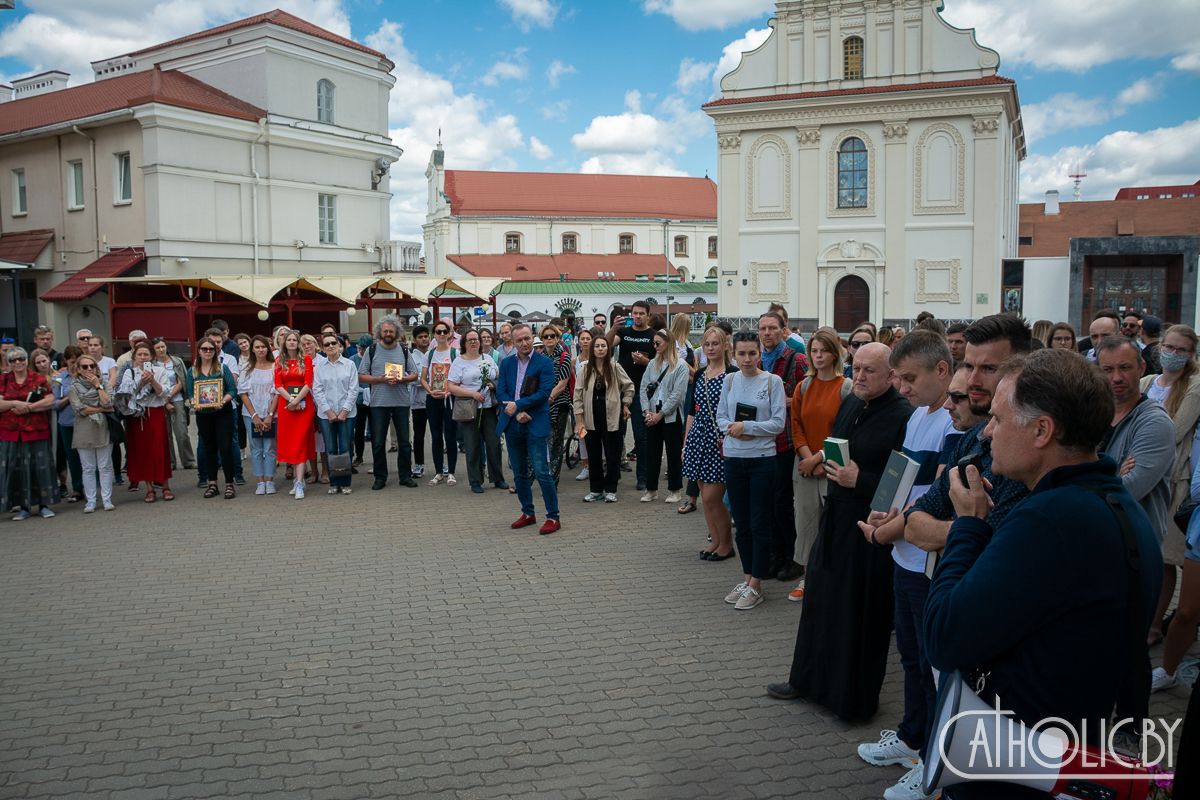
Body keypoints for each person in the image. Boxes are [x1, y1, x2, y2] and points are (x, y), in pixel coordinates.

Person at [924, 349, 1162, 800]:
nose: (987, 432)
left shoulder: (1050, 520)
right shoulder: (1111, 503)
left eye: (997, 418)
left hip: (1020, 766)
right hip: (1060, 749)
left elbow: (944, 635)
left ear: (1041, 430)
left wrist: (969, 526)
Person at [766, 342, 911, 720]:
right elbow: (837, 447)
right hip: (836, 516)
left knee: (858, 614)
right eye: (856, 368)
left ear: (892, 375)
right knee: (820, 601)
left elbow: (901, 484)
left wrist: (858, 479)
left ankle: (852, 701)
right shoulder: (850, 402)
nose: (859, 376)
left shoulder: (902, 417)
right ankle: (807, 680)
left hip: (869, 526)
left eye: (869, 371)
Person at [845, 331, 956, 800]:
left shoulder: (951, 423)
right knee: (910, 656)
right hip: (902, 550)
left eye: (910, 379)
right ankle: (913, 737)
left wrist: (891, 527)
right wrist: (883, 510)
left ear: (942, 371)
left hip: (927, 555)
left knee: (932, 664)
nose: (903, 388)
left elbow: (939, 498)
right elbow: (902, 477)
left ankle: (934, 761)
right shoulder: (917, 418)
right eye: (899, 378)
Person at [717, 331, 787, 610]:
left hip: (762, 460)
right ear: (733, 353)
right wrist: (732, 429)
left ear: (760, 354)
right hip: (734, 458)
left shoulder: (772, 382)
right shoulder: (730, 380)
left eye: (752, 353)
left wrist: (747, 428)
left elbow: (778, 423)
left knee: (759, 522)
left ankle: (757, 582)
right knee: (742, 523)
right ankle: (747, 578)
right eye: (742, 353)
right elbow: (721, 416)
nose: (747, 359)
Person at [1141, 325, 1200, 649]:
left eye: (1181, 351)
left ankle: (1154, 625)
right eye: (1170, 348)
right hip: (1141, 477)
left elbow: (1173, 432)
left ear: (1191, 355)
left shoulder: (1193, 385)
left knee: (1165, 559)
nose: (1173, 355)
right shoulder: (1148, 382)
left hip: (1173, 483)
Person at [787, 329, 852, 601]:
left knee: (833, 524)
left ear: (834, 353)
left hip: (833, 464)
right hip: (804, 466)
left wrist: (818, 458)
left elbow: (845, 429)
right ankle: (808, 576)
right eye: (814, 351)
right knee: (806, 523)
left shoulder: (846, 387)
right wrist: (806, 457)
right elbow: (796, 425)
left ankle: (833, 579)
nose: (818, 355)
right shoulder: (804, 386)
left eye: (823, 350)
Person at [496, 323, 560, 534]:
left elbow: (544, 392)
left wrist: (520, 406)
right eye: (519, 340)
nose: (524, 343)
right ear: (512, 342)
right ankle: (528, 512)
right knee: (519, 474)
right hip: (513, 423)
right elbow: (501, 391)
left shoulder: (544, 363)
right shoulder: (506, 364)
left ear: (532, 337)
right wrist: (515, 412)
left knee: (542, 472)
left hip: (535, 422)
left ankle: (553, 516)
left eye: (527, 338)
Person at [758, 311, 806, 581]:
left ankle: (792, 557)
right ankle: (775, 555)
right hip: (759, 442)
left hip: (783, 442)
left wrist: (782, 401)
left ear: (783, 330)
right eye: (763, 328)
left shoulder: (795, 359)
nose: (767, 333)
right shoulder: (756, 359)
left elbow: (805, 397)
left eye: (772, 328)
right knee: (767, 504)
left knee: (782, 504)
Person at [683, 326, 736, 558]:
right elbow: (692, 411)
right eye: (707, 344)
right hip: (698, 437)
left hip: (720, 439)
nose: (711, 348)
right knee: (706, 497)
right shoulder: (701, 373)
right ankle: (715, 542)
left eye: (715, 343)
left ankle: (726, 544)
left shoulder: (732, 374)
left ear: (725, 345)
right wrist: (686, 443)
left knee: (712, 497)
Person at [573, 327, 633, 503]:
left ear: (608, 349)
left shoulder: (615, 367)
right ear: (592, 349)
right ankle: (596, 489)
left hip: (612, 416)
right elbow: (577, 395)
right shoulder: (585, 370)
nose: (600, 349)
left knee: (612, 453)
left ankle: (611, 489)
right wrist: (579, 419)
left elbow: (629, 386)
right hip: (591, 416)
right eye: (597, 346)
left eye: (603, 346)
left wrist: (626, 404)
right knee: (593, 454)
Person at [359, 315, 419, 490]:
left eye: (391, 331)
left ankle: (405, 476)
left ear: (397, 333)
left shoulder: (404, 350)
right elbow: (361, 375)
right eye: (385, 330)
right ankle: (380, 477)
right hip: (378, 403)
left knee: (405, 442)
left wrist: (402, 379)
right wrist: (379, 379)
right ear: (379, 332)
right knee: (378, 442)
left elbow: (414, 374)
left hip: (401, 402)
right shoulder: (372, 350)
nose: (387, 333)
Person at [0, 346, 60, 519]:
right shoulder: (3, 380)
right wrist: (14, 404)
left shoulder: (38, 378)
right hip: (11, 432)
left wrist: (29, 408)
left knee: (40, 468)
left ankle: (44, 505)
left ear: (26, 360)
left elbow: (50, 400)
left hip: (36, 430)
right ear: (9, 362)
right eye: (13, 360)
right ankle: (23, 507)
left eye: (21, 359)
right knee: (16, 469)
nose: (17, 362)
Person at [448, 329, 506, 493]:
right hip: (469, 408)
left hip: (488, 408)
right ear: (464, 343)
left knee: (494, 444)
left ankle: (497, 478)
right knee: (472, 445)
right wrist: (472, 394)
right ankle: (475, 480)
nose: (473, 342)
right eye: (470, 340)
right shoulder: (459, 362)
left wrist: (492, 384)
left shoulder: (487, 358)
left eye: (476, 339)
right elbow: (451, 386)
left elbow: (498, 377)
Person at [117, 340, 174, 502]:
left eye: (146, 354)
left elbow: (165, 394)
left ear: (152, 356)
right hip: (137, 416)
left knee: (159, 449)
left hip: (155, 413)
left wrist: (153, 381)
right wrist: (141, 381)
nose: (143, 357)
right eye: (139, 354)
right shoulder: (130, 373)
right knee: (143, 451)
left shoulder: (160, 370)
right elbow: (127, 393)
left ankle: (165, 485)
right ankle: (149, 488)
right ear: (135, 356)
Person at [609, 300, 656, 491]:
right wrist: (613, 328)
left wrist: (647, 361)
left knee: (641, 436)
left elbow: (661, 363)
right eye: (635, 313)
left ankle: (642, 477)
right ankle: (614, 473)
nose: (637, 317)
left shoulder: (653, 335)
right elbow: (607, 344)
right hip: (620, 389)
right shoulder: (624, 332)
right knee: (615, 434)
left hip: (642, 392)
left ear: (647, 315)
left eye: (641, 314)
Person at [639, 328, 688, 503]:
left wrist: (660, 414)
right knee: (652, 452)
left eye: (658, 343)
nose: (655, 346)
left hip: (670, 415)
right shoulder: (653, 363)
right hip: (652, 412)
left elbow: (677, 394)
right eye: (653, 343)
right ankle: (651, 489)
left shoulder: (680, 365)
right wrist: (646, 411)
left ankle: (675, 490)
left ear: (668, 343)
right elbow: (644, 387)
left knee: (673, 453)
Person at [187, 338, 238, 499]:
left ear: (215, 351)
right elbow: (190, 393)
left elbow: (232, 390)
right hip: (204, 414)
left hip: (222, 412)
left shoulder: (222, 368)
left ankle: (229, 484)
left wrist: (223, 401)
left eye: (211, 349)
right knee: (209, 448)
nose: (208, 352)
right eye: (204, 349)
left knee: (225, 447)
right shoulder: (192, 371)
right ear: (199, 350)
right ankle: (212, 484)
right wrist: (195, 403)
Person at [312, 333, 358, 495]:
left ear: (340, 346)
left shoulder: (349, 364)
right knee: (331, 448)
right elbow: (317, 391)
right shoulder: (319, 368)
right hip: (326, 415)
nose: (331, 346)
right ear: (323, 349)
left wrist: (344, 411)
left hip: (348, 413)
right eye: (327, 344)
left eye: (334, 343)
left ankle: (345, 482)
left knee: (345, 448)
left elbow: (353, 390)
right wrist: (329, 412)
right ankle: (334, 482)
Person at [69, 353, 115, 513]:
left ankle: (107, 499)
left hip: (103, 428)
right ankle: (91, 501)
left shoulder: (104, 383)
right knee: (88, 468)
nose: (89, 369)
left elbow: (109, 402)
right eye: (85, 366)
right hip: (83, 429)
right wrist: (101, 409)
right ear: (78, 369)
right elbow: (80, 409)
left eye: (92, 366)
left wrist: (98, 386)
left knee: (105, 466)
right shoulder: (74, 387)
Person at [273, 331, 314, 499]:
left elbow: (308, 383)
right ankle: (298, 481)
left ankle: (298, 482)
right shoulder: (278, 361)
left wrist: (297, 400)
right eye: (288, 340)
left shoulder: (306, 360)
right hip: (286, 405)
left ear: (298, 343)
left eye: (294, 340)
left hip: (304, 404)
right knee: (291, 442)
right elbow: (277, 384)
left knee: (301, 441)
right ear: (284, 343)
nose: (291, 342)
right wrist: (291, 400)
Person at [238, 335, 278, 495]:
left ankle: (269, 480)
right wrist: (254, 415)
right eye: (257, 347)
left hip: (270, 413)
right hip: (250, 414)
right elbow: (243, 393)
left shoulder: (275, 366)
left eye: (263, 347)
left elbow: (277, 392)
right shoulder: (247, 368)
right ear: (252, 349)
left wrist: (269, 415)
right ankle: (260, 481)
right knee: (256, 447)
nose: (261, 350)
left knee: (269, 447)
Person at [420, 321, 459, 486]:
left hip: (449, 398)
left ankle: (451, 472)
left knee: (450, 436)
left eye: (445, 331)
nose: (442, 334)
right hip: (433, 399)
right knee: (436, 437)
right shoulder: (428, 355)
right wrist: (430, 391)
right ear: (434, 334)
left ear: (450, 333)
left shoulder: (455, 353)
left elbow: (459, 377)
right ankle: (438, 472)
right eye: (438, 331)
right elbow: (422, 378)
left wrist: (451, 390)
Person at [153, 338, 195, 471]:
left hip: (177, 399)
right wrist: (165, 402)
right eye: (158, 348)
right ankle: (170, 462)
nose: (161, 350)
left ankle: (188, 461)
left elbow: (182, 380)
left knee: (182, 432)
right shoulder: (152, 364)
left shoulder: (176, 361)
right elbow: (152, 386)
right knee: (166, 434)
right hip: (159, 401)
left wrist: (170, 397)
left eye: (162, 347)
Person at [540, 324, 574, 485]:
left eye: (552, 336)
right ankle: (532, 477)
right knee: (540, 440)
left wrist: (549, 398)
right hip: (543, 404)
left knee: (555, 443)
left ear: (558, 338)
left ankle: (553, 480)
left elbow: (563, 383)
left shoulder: (564, 357)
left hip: (559, 404)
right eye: (546, 336)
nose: (549, 339)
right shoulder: (541, 358)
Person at [53, 345, 85, 503]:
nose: (74, 365)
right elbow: (55, 404)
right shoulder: (59, 379)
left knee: (87, 457)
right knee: (72, 457)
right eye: (72, 361)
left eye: (77, 361)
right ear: (65, 361)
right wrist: (70, 396)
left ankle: (91, 487)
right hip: (67, 422)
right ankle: (78, 488)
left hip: (85, 421)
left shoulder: (86, 374)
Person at [408, 325, 430, 479]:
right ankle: (419, 464)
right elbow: (411, 378)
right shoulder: (410, 356)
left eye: (426, 336)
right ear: (415, 340)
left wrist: (422, 379)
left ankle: (441, 465)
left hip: (435, 399)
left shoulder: (434, 354)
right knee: (419, 434)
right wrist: (425, 380)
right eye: (420, 337)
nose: (424, 339)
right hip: (417, 402)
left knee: (438, 434)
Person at [572, 327, 594, 483]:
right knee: (582, 433)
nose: (585, 341)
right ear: (578, 342)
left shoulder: (598, 357)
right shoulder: (575, 361)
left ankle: (599, 463)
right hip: (580, 399)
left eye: (588, 338)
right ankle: (585, 465)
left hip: (595, 400)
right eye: (583, 339)